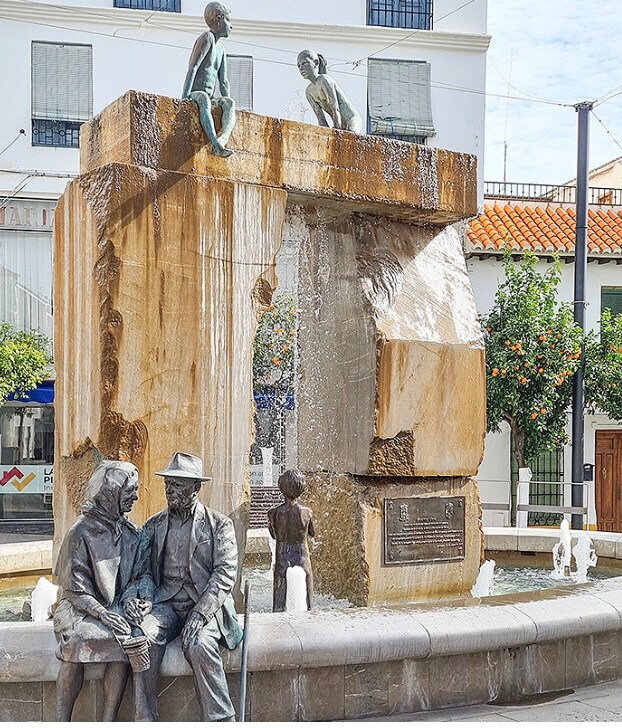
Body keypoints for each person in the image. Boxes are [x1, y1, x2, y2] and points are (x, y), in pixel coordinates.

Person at [136, 452, 242, 722]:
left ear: (196, 488)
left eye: (178, 484)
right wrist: (146, 597)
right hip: (166, 604)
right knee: (143, 638)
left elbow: (225, 573)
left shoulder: (220, 525)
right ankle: (145, 716)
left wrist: (201, 613)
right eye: (168, 483)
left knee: (198, 643)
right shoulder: (154, 525)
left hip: (204, 604)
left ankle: (220, 719)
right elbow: (145, 572)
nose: (170, 489)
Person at [53, 460, 147, 722]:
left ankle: (108, 720)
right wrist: (103, 614)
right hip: (78, 608)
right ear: (112, 494)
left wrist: (130, 600)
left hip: (113, 606)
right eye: (130, 493)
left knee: (124, 639)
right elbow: (74, 591)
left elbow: (136, 578)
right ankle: (62, 719)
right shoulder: (79, 532)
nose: (136, 498)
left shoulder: (130, 533)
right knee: (76, 643)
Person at [182, 2, 236, 157]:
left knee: (230, 103)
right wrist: (184, 97)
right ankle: (214, 142)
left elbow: (223, 80)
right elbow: (192, 68)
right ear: (219, 19)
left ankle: (223, 139)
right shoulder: (207, 38)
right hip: (195, 94)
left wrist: (226, 98)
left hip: (210, 97)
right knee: (204, 98)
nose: (231, 26)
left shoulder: (221, 49)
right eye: (228, 20)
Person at [267, 469, 315, 611]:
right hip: (302, 554)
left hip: (282, 555)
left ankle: (277, 611)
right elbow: (312, 533)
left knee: (279, 592)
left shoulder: (274, 513)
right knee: (308, 579)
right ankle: (310, 609)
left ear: (281, 488)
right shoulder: (306, 512)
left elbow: (274, 535)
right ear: (302, 488)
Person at [297, 49, 363, 133]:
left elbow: (335, 108)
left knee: (350, 133)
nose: (301, 68)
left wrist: (336, 130)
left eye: (304, 63)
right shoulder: (309, 91)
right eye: (298, 66)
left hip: (352, 119)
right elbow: (320, 117)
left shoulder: (324, 79)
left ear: (316, 63)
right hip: (339, 123)